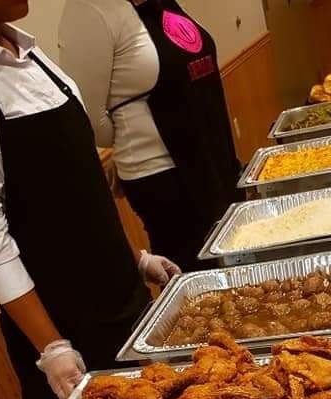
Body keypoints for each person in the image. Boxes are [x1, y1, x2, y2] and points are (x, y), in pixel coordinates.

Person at [0, 0, 181, 399]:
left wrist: (134, 258)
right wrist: (53, 348)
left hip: (122, 297)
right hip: (67, 325)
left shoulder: (26, 52)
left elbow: (76, 188)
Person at [59, 0, 241, 272]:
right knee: (199, 281)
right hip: (162, 176)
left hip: (212, 160)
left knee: (236, 259)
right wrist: (131, 141)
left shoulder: (158, 2)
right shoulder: (89, 10)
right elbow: (90, 119)